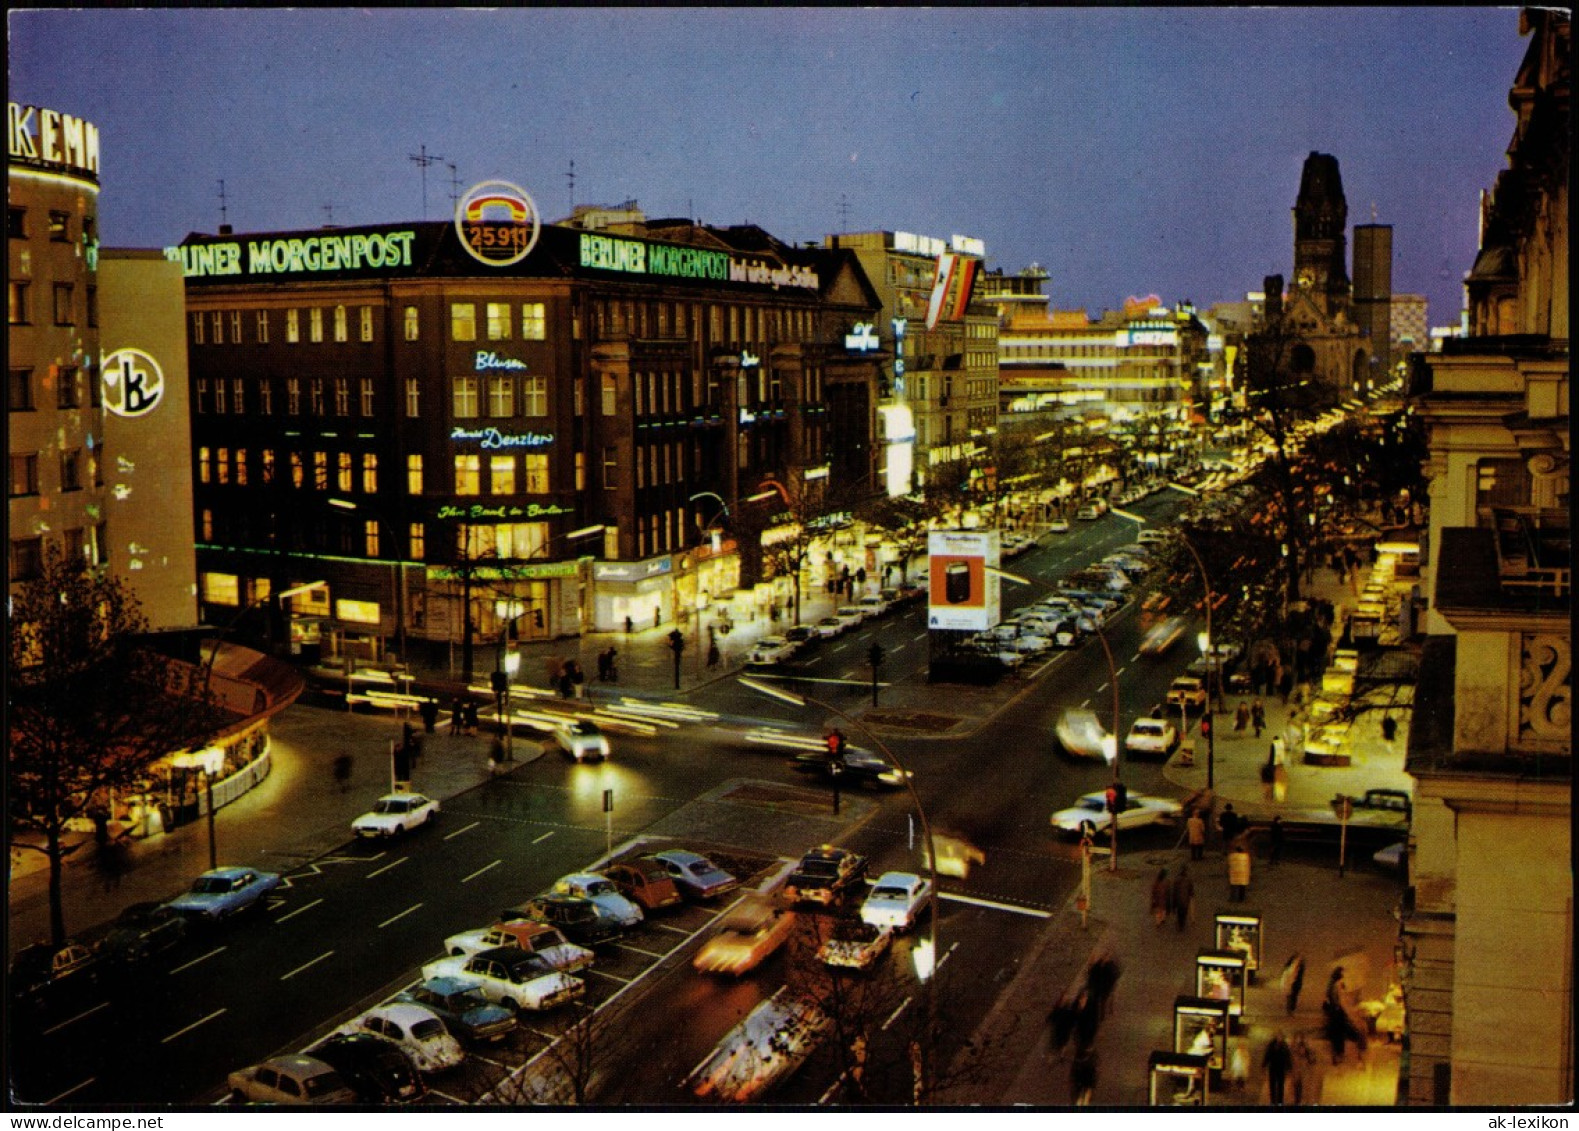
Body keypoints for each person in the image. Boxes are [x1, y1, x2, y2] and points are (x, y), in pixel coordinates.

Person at [1263, 1032, 1294, 1106]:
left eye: (1281, 1036)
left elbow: (1287, 1057)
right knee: (1272, 1085)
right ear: (1276, 1037)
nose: (1279, 1038)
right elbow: (1267, 1055)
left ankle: (1280, 1102)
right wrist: (1264, 1065)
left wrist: (1289, 1067)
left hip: (1281, 1068)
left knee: (1280, 1086)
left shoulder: (1284, 1046)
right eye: (1278, 1036)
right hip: (1273, 1068)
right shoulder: (1271, 1045)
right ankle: (1273, 1101)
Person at [1170, 865, 1194, 932]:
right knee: (1184, 912)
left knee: (1179, 913)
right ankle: (1182, 924)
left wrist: (1173, 905)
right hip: (1185, 900)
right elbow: (1191, 890)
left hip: (1178, 900)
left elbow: (1174, 892)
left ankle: (1180, 924)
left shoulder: (1176, 880)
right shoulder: (1188, 880)